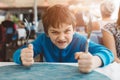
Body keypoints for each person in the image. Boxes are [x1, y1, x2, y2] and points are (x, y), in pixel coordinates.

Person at [13, 4, 114, 73]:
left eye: (67, 31)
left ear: (74, 30)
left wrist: (95, 61)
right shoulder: (43, 40)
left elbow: (108, 53)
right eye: (54, 32)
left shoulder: (80, 40)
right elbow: (17, 53)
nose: (61, 38)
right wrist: (22, 56)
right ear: (47, 32)